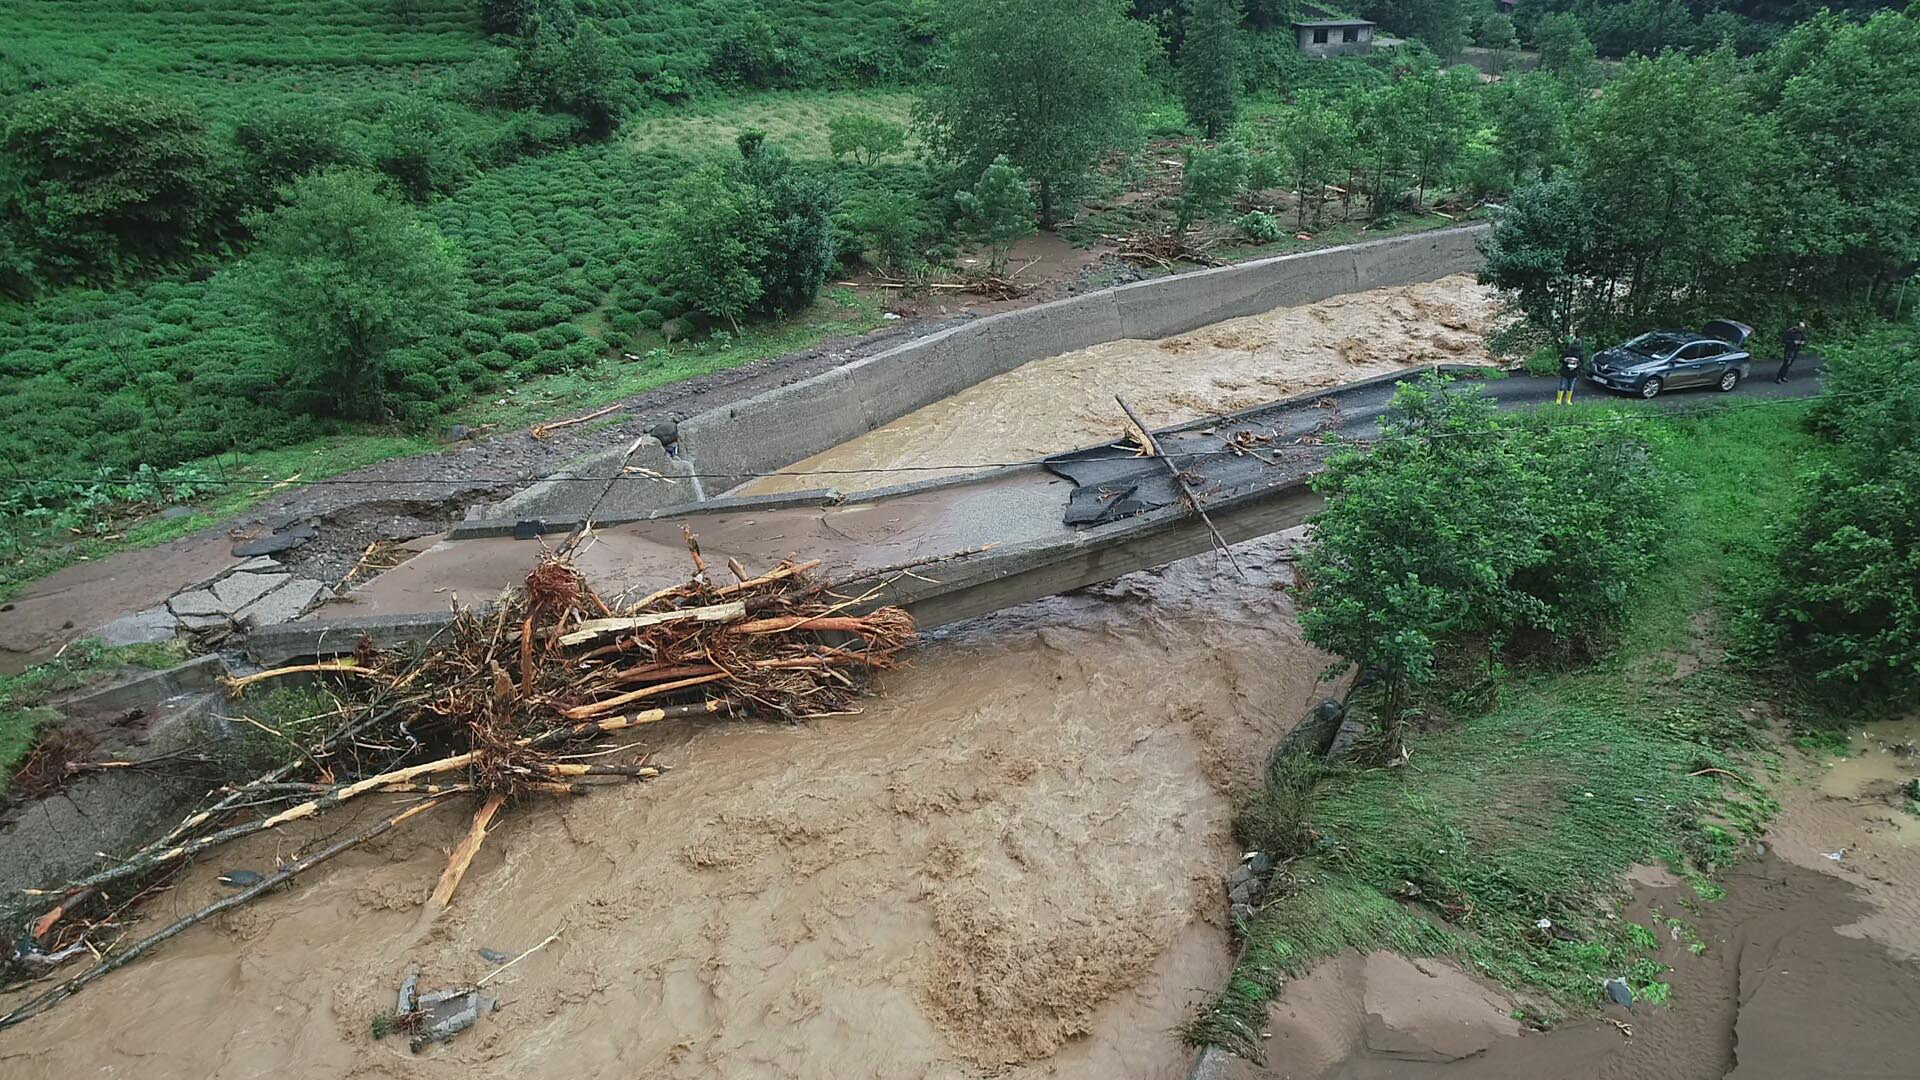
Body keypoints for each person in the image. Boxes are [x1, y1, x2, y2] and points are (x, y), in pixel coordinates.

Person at [1556, 332, 1586, 405]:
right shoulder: (1581, 353)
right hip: (1574, 372)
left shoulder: (1567, 351)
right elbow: (1582, 363)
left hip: (1565, 371)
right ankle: (1568, 400)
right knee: (1570, 387)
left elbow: (1561, 359)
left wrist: (1565, 360)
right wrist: (1577, 364)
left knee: (1562, 386)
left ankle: (1559, 400)